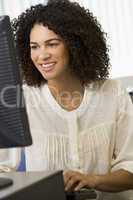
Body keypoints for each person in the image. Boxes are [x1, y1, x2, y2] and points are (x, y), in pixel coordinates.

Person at [1, 0, 133, 199]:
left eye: (52, 44)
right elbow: (4, 170)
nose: (42, 55)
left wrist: (92, 180)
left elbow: (130, 168)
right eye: (34, 47)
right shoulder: (22, 100)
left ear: (75, 44)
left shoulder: (112, 93)